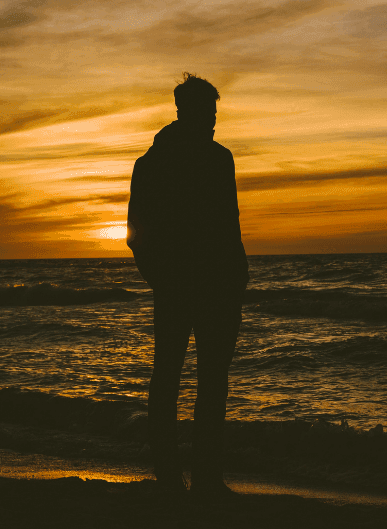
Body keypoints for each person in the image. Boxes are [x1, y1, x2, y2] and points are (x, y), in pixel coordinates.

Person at [127, 72, 250, 495]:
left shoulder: (220, 159)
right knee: (171, 380)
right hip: (180, 287)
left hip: (218, 287)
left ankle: (206, 478)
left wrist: (237, 278)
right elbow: (137, 236)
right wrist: (164, 280)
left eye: (215, 113)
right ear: (185, 111)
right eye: (207, 113)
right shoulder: (153, 165)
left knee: (210, 383)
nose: (213, 121)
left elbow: (229, 227)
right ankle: (169, 477)